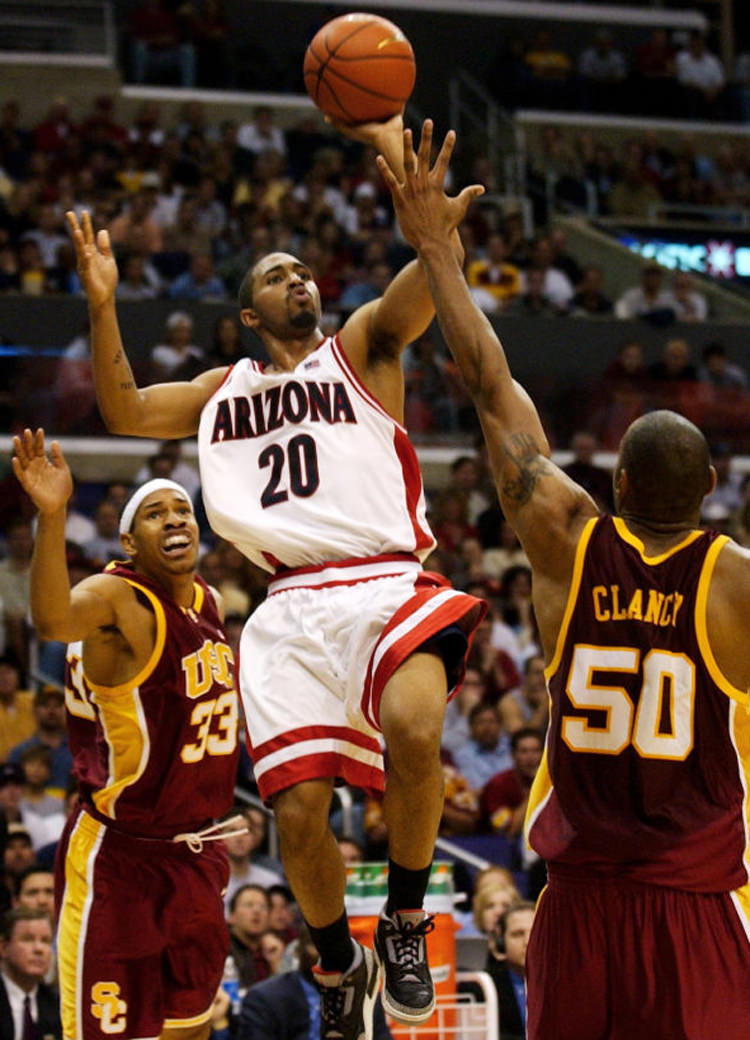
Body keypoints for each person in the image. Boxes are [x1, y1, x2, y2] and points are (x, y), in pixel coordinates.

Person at [66, 110, 484, 1040]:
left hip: (386, 580)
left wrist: (425, 217)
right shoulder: (225, 391)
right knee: (298, 811)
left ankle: (408, 919)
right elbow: (126, 408)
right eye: (276, 275)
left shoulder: (366, 347)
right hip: (288, 605)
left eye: (305, 270)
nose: (300, 278)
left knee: (418, 728)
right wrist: (101, 301)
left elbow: (426, 279)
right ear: (250, 314)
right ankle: (336, 959)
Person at [377, 118, 750, 1040]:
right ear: (713, 487)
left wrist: (436, 252)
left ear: (616, 486)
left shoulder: (568, 539)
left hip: (576, 904)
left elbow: (488, 381)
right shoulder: (737, 583)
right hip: (697, 908)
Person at [12, 428, 243, 1040]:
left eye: (182, 510)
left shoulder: (210, 603)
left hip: (196, 853)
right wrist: (54, 516)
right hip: (122, 858)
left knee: (190, 1027)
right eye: (154, 513)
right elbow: (55, 617)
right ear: (127, 541)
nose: (174, 520)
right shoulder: (116, 597)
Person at [236, 922, 392, 1040]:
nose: (327, 954)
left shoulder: (366, 997)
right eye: (316, 945)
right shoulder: (264, 999)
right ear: (298, 951)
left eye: (336, 947)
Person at [0, 907, 61, 1040]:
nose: (39, 949)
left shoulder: (57, 1004)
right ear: (3, 947)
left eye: (45, 941)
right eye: (28, 939)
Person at [484, 901, 535, 1040]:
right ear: (501, 943)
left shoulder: (567, 983)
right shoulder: (485, 987)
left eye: (535, 933)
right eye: (518, 934)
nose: (527, 941)